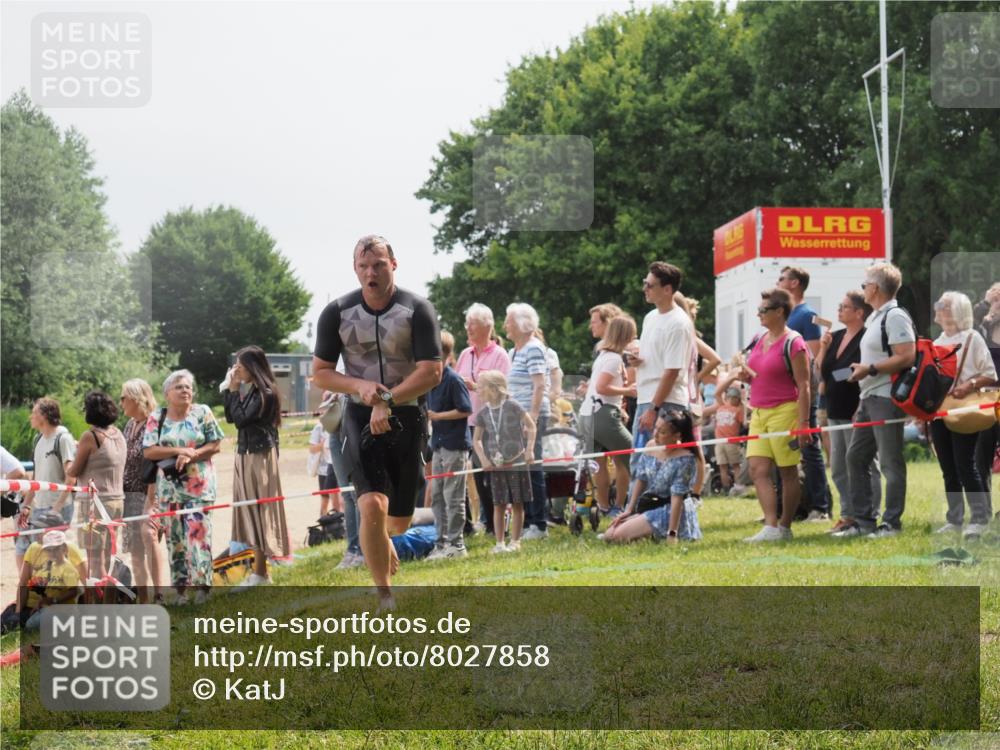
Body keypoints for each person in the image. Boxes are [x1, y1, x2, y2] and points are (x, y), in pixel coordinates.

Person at [312, 235, 442, 609]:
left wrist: (386, 398)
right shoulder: (336, 312)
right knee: (370, 504)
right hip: (357, 414)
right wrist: (361, 387)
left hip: (409, 414)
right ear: (355, 269)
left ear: (393, 264)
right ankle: (384, 592)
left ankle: (384, 540)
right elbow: (321, 374)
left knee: (397, 523)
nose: (371, 273)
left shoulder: (417, 309)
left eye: (379, 265)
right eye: (364, 266)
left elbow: (432, 372)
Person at [838, 262, 916, 538]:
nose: (863, 289)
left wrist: (869, 369)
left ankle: (891, 523)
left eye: (864, 285)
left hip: (886, 397)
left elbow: (907, 355)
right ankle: (863, 522)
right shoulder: (875, 317)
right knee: (856, 457)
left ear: (874, 288)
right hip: (869, 396)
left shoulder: (894, 316)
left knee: (890, 462)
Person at [143, 369, 224, 605]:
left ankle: (203, 588)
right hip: (169, 488)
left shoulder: (203, 412)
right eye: (179, 386)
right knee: (175, 540)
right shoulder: (157, 417)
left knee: (199, 536)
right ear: (167, 393)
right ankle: (180, 592)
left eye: (188, 386)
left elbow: (216, 443)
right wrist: (179, 451)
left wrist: (193, 455)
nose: (185, 390)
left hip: (199, 486)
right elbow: (149, 451)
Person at [738, 288, 812, 543]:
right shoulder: (760, 338)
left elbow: (804, 385)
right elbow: (759, 370)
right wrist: (745, 376)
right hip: (758, 411)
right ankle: (770, 526)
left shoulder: (795, 342)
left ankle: (785, 527)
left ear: (780, 312)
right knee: (757, 469)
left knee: (787, 471)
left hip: (785, 410)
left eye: (763, 310)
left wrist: (804, 423)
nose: (758, 314)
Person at [929, 292, 998, 538]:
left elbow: (990, 374)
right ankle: (954, 518)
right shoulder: (936, 342)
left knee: (965, 464)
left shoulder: (972, 338)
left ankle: (978, 518)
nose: (937, 308)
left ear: (956, 310)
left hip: (964, 408)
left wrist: (968, 385)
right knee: (948, 467)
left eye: (943, 305)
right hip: (939, 411)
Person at [224, 345, 290, 586]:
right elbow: (232, 417)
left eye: (240, 366)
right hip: (246, 453)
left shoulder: (265, 392)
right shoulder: (252, 391)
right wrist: (231, 391)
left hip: (260, 456)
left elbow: (240, 420)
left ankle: (261, 573)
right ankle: (259, 572)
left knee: (260, 512)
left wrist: (233, 390)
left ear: (253, 366)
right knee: (250, 511)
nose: (237, 371)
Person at [816, 291, 881, 534]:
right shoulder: (835, 336)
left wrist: (837, 376)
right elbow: (821, 372)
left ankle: (869, 512)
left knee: (863, 463)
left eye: (844, 307)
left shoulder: (867, 337)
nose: (839, 310)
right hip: (834, 408)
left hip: (857, 408)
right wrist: (822, 349)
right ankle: (848, 514)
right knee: (839, 465)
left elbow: (857, 371)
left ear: (859, 312)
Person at [776, 265, 832, 520]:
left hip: (802, 389)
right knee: (784, 449)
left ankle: (820, 506)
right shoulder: (785, 315)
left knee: (809, 446)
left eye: (782, 278)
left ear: (795, 283)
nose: (778, 282)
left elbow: (811, 355)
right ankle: (793, 505)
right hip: (783, 391)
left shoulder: (808, 314)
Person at [633, 262, 695, 481]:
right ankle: (636, 512)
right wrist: (636, 360)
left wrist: (653, 409)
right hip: (646, 397)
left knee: (658, 467)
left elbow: (671, 371)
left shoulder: (678, 323)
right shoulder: (650, 317)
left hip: (665, 402)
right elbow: (658, 360)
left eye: (650, 285)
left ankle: (653, 514)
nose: (645, 289)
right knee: (640, 463)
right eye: (644, 283)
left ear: (667, 289)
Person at [601, 410, 702, 544]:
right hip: (652, 505)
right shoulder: (650, 446)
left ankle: (658, 533)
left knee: (616, 536)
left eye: (662, 432)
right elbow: (641, 479)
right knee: (609, 535)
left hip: (672, 510)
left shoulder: (685, 459)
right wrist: (629, 509)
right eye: (656, 428)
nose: (655, 435)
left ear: (677, 436)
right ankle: (647, 533)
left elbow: (677, 498)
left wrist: (672, 533)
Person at [455, 303, 511, 537]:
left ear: (487, 326)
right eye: (467, 323)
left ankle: (497, 525)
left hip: (490, 425)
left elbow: (503, 391)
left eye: (472, 324)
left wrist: (476, 387)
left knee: (492, 474)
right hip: (466, 423)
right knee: (473, 474)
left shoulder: (500, 355)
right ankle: (477, 524)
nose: (468, 328)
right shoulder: (465, 354)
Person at [62, 391, 126, 580]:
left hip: (95, 504)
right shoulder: (118, 434)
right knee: (107, 555)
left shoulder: (90, 436)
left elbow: (73, 471)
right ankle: (108, 597)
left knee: (94, 558)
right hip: (117, 500)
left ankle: (97, 599)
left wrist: (69, 459)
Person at [472, 370, 536, 554]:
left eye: (480, 386)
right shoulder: (483, 413)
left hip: (516, 462)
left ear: (493, 388)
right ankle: (499, 542)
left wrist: (529, 450)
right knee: (498, 504)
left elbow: (531, 426)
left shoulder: (513, 406)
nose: (478, 390)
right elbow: (476, 439)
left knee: (517, 503)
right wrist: (484, 459)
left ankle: (515, 541)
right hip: (496, 465)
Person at [579, 315, 637, 514]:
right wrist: (627, 392)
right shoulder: (614, 359)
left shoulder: (604, 356)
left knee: (600, 464)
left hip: (587, 415)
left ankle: (603, 505)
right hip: (603, 415)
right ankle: (621, 506)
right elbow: (603, 387)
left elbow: (597, 389)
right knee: (630, 456)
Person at [504, 302, 551, 541]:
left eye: (509, 321)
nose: (505, 325)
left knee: (533, 468)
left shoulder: (533, 348)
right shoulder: (514, 352)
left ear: (523, 325)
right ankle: (528, 521)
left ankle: (539, 524)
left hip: (531, 417)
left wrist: (530, 418)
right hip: (516, 417)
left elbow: (540, 384)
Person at [426, 331, 473, 561]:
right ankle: (441, 542)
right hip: (438, 444)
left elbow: (465, 410)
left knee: (453, 496)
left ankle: (457, 544)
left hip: (455, 445)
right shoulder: (431, 381)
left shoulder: (454, 380)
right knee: (437, 496)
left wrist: (438, 416)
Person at [16, 398, 77, 571]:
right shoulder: (38, 440)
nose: (30, 417)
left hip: (59, 507)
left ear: (44, 415)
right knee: (41, 557)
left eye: (34, 413)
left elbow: (71, 477)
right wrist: (26, 505)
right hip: (41, 507)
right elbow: (36, 477)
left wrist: (56, 508)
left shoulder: (63, 438)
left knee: (57, 557)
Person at [119, 378, 164, 603]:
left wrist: (151, 500)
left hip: (149, 493)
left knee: (149, 537)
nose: (120, 403)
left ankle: (159, 593)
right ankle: (143, 597)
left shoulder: (153, 423)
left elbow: (157, 464)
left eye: (123, 397)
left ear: (137, 399)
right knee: (135, 549)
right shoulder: (129, 425)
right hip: (129, 494)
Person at [15, 530, 86, 631]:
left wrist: (53, 600)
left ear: (64, 549)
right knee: (27, 624)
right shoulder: (51, 567)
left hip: (63, 610)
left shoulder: (68, 569)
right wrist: (41, 603)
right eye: (48, 550)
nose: (52, 553)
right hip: (50, 607)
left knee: (30, 625)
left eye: (56, 549)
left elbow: (74, 591)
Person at [974, 282, 1000, 496]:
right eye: (994, 301)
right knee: (981, 455)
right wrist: (986, 304)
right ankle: (983, 505)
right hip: (985, 396)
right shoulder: (981, 329)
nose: (997, 305)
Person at [707, 378, 746, 493]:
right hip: (731, 442)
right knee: (736, 466)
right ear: (735, 399)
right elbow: (743, 423)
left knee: (723, 467)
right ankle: (739, 487)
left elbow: (717, 394)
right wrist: (743, 407)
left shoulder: (720, 408)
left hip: (719, 443)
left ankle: (725, 489)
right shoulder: (737, 410)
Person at [308, 409, 336, 511]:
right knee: (325, 499)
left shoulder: (339, 423)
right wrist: (323, 444)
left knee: (340, 499)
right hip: (324, 469)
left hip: (337, 467)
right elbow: (312, 449)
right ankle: (324, 523)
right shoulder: (319, 428)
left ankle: (340, 522)